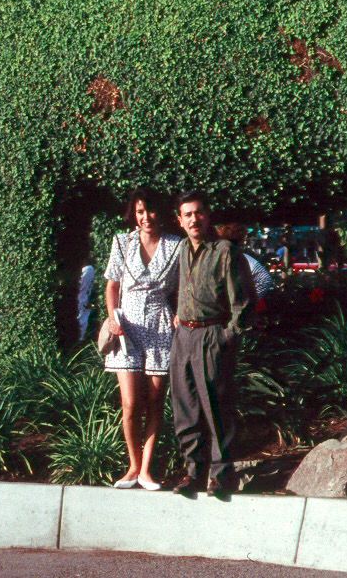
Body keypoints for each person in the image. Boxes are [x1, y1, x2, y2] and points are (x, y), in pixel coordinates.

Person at [170, 190, 254, 496]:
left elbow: (244, 303)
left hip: (212, 336)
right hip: (183, 337)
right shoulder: (182, 249)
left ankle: (222, 475)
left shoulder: (225, 251)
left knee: (216, 407)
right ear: (179, 220)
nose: (194, 219)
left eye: (198, 213)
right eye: (187, 214)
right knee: (186, 408)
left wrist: (227, 335)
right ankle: (193, 473)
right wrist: (179, 315)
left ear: (207, 216)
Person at [100, 187, 183, 491]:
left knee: (155, 401)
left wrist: (179, 313)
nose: (145, 217)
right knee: (131, 402)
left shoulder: (177, 245)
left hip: (160, 325)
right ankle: (132, 466)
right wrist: (112, 318)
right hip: (127, 327)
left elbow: (183, 287)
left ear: (161, 211)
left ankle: (146, 470)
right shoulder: (122, 242)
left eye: (150, 210)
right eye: (139, 211)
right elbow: (112, 285)